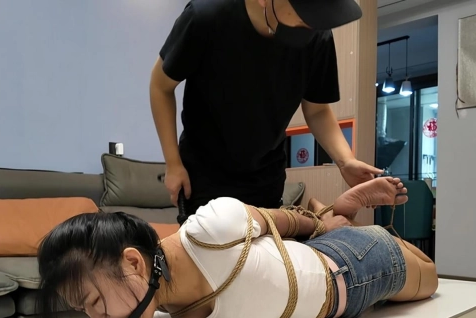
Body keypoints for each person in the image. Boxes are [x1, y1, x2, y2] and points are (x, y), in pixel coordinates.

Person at [35, 177, 438, 318]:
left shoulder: (212, 229)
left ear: (132, 262)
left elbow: (280, 220)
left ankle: (339, 214)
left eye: (94, 302)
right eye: (84, 310)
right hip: (317, 265)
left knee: (430, 276)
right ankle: (342, 216)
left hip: (350, 268)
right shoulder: (163, 302)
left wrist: (321, 224)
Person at [150, 0, 383, 214]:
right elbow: (160, 86)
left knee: (270, 244)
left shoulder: (317, 35)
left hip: (266, 179)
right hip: (204, 175)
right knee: (214, 241)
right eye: (305, 14)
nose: (313, 24)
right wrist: (173, 164)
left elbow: (317, 110)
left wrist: (345, 160)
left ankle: (318, 215)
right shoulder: (206, 16)